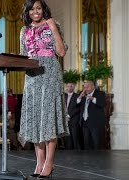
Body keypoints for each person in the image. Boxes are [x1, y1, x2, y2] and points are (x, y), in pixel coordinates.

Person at [18, 0, 69, 178]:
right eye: (31, 9)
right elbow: (24, 56)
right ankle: (39, 162)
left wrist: (53, 27)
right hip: (32, 77)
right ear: (28, 11)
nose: (35, 12)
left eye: (38, 8)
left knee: (48, 118)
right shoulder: (24, 30)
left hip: (50, 74)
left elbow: (61, 52)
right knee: (35, 119)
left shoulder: (54, 25)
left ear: (44, 9)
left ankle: (49, 162)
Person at [77, 80, 106, 150]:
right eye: (84, 87)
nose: (85, 89)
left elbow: (102, 104)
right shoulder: (83, 94)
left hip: (95, 123)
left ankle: (97, 159)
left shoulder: (100, 93)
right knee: (86, 142)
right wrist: (80, 97)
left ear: (93, 86)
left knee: (96, 143)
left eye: (87, 87)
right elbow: (77, 105)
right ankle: (88, 159)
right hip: (84, 122)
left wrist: (92, 98)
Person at [65, 82, 81, 149]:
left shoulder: (77, 96)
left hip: (74, 120)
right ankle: (68, 152)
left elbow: (78, 108)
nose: (69, 88)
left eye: (71, 86)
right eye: (68, 86)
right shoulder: (63, 96)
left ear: (73, 87)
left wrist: (69, 115)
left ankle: (76, 152)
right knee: (67, 138)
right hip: (65, 120)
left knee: (75, 137)